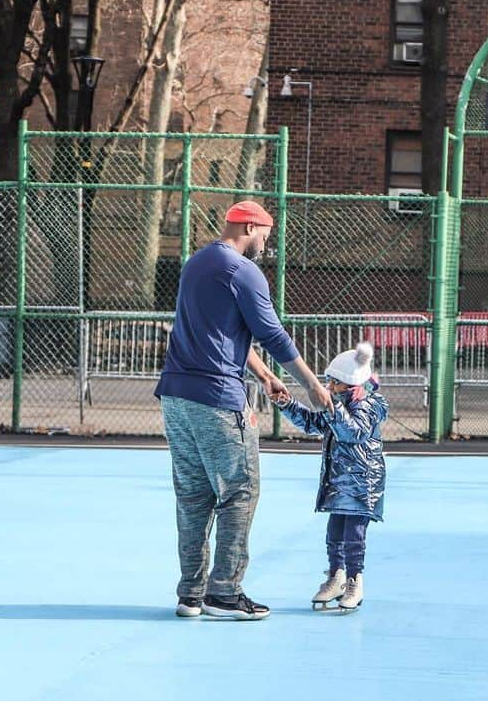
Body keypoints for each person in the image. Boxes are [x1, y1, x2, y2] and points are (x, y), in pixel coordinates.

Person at [156, 200, 330, 622]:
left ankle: (191, 595)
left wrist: (263, 375)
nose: (265, 247)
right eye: (265, 237)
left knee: (193, 496)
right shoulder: (243, 271)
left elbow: (222, 333)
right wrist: (311, 384)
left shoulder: (198, 262)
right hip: (217, 400)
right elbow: (271, 332)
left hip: (177, 396)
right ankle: (225, 592)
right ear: (250, 226)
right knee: (240, 492)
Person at [270, 342, 389, 614]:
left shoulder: (369, 406)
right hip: (338, 481)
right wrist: (286, 402)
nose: (328, 387)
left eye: (333, 383)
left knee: (354, 535)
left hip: (363, 484)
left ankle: (354, 580)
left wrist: (331, 408)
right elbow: (313, 423)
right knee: (334, 532)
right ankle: (335, 575)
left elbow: (353, 433)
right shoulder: (337, 404)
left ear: (349, 384)